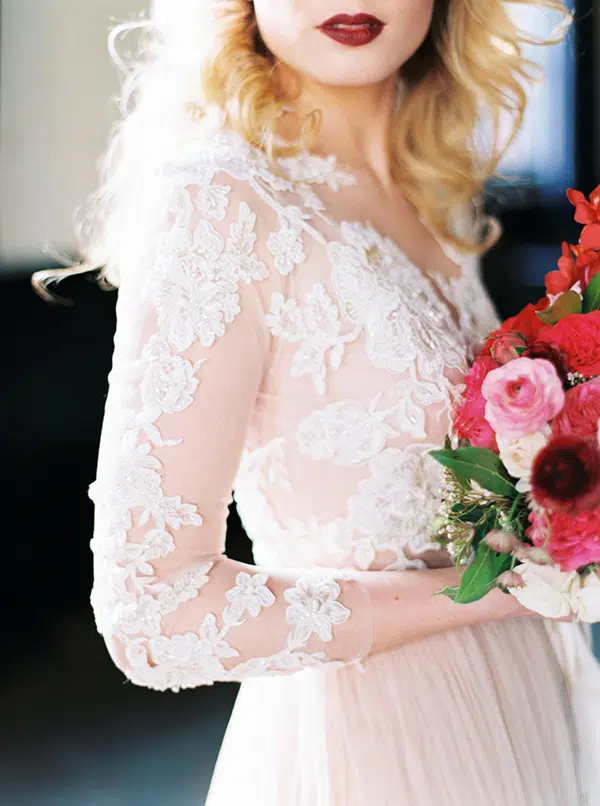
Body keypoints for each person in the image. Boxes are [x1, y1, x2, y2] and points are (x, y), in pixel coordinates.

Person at [32, 1, 600, 804]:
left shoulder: (431, 192)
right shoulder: (220, 203)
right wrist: (493, 593)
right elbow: (153, 612)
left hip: (526, 707)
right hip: (374, 744)